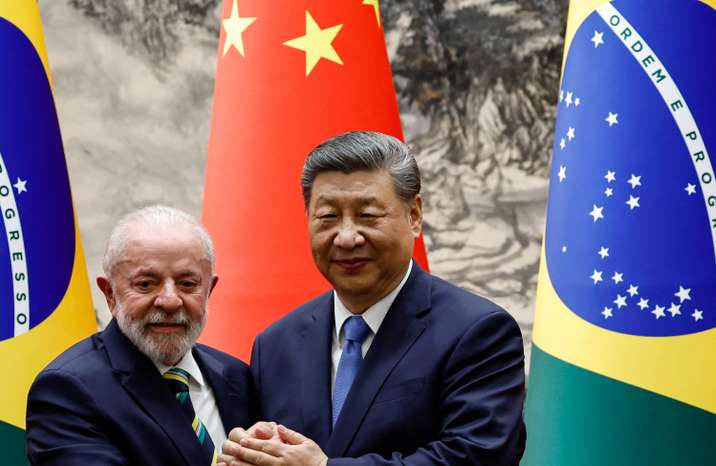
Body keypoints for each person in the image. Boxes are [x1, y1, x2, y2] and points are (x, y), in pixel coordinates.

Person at [221, 131, 526, 466]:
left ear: (414, 216)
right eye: (328, 217)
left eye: (367, 215)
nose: (347, 236)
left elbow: (475, 457)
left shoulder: (478, 332)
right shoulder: (276, 344)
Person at [26, 206, 254, 466]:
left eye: (187, 284)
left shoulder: (237, 377)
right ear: (110, 293)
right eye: (146, 284)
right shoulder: (67, 391)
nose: (170, 301)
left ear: (209, 291)